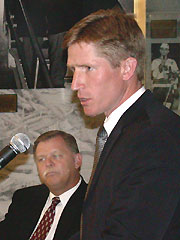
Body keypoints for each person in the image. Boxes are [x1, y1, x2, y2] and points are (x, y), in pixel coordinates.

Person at [62, 8, 180, 239]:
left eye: (88, 68)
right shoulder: (127, 128)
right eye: (73, 71)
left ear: (127, 67)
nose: (76, 84)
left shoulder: (155, 136)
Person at [0, 130, 87, 240]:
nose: (48, 163)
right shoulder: (25, 198)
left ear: (76, 160)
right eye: (41, 159)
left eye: (56, 156)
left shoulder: (95, 202)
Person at [151, 43, 180, 108]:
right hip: (158, 87)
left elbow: (176, 75)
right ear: (160, 50)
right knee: (158, 109)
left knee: (167, 108)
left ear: (168, 51)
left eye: (166, 49)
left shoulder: (172, 62)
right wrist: (160, 66)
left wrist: (175, 87)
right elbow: (154, 75)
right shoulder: (155, 62)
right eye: (162, 49)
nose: (164, 51)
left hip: (168, 88)